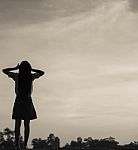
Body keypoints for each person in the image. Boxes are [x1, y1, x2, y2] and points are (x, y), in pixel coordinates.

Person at [2, 61, 44, 149]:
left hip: (20, 100)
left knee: (18, 123)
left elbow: (4, 71)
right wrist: (32, 69)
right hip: (27, 100)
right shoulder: (31, 76)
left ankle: (17, 144)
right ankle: (24, 144)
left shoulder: (17, 76)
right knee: (26, 124)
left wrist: (14, 68)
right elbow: (41, 73)